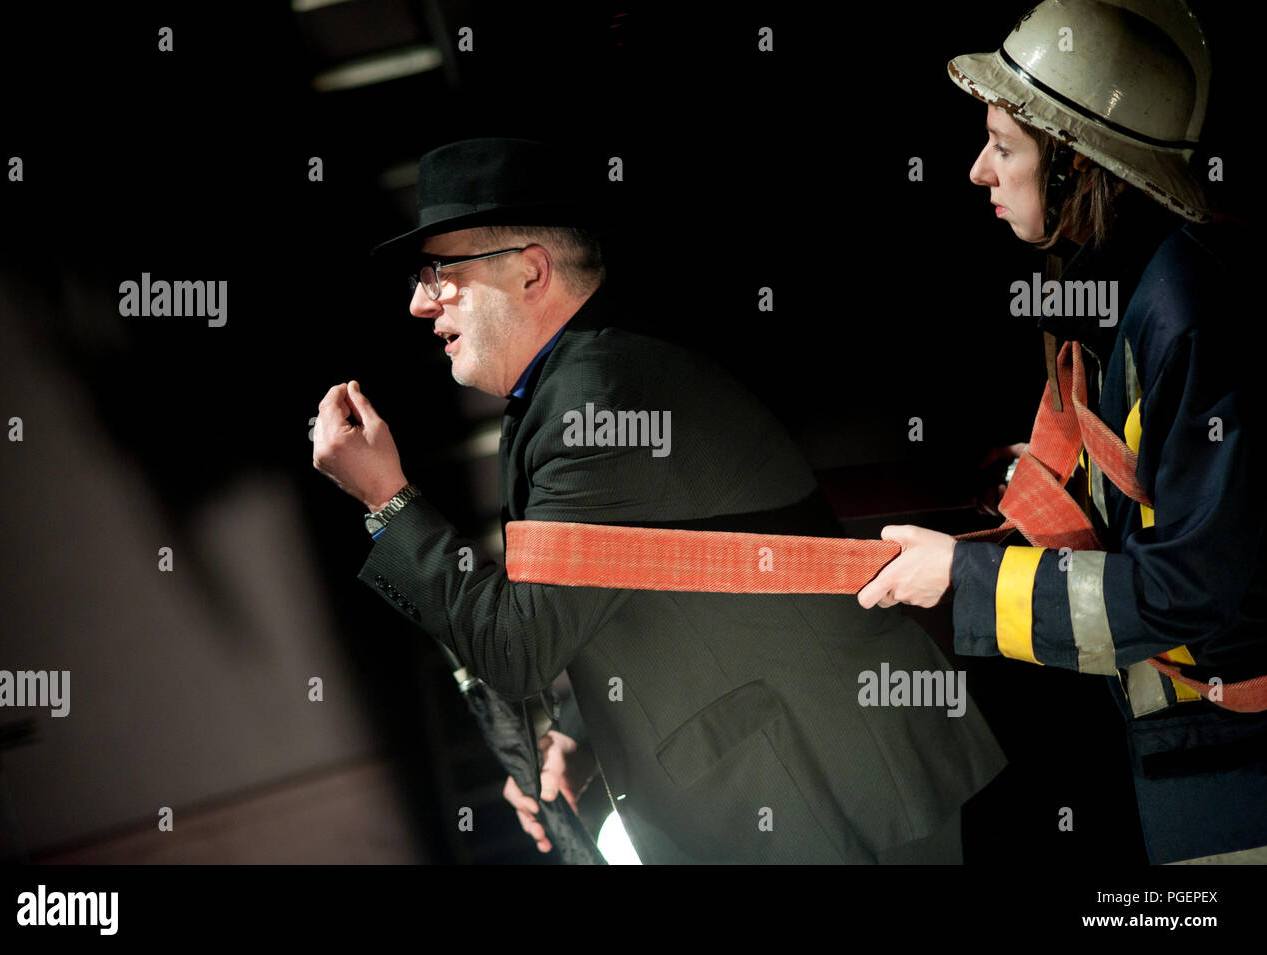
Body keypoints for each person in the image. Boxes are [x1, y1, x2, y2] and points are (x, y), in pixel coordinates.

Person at [313, 137, 1006, 863]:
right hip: (801, 778)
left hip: (823, 790)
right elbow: (624, 590)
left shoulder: (597, 395)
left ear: (530, 270)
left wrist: (386, 500)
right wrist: (580, 731)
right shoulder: (578, 382)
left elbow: (515, 645)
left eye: (440, 273)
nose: (421, 302)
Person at [858, 0, 1267, 863]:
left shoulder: (1187, 312)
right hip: (1186, 740)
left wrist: (964, 576)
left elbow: (1192, 587)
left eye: (1004, 145)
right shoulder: (1123, 291)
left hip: (1234, 763)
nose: (978, 171)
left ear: (1081, 167)